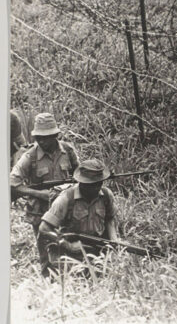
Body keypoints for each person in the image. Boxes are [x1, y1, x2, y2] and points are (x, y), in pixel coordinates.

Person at [10, 112, 79, 275]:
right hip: (40, 211)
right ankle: (48, 285)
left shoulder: (68, 151)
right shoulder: (30, 156)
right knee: (46, 257)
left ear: (55, 135)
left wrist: (68, 191)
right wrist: (40, 194)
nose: (41, 141)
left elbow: (79, 175)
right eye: (38, 137)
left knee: (67, 250)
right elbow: (12, 184)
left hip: (65, 210)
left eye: (45, 137)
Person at [38, 159, 119, 276]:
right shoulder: (66, 198)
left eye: (99, 183)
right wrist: (69, 246)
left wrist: (113, 240)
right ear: (82, 182)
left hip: (95, 250)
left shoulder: (106, 195)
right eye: (92, 184)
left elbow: (110, 218)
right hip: (69, 253)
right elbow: (44, 228)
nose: (96, 188)